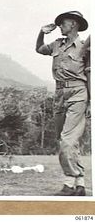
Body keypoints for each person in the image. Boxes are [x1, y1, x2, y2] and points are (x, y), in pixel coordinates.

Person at [35, 11, 90, 196]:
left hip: (78, 93)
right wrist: (41, 32)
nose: (60, 26)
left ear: (73, 24)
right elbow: (39, 49)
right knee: (67, 141)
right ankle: (80, 183)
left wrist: (91, 101)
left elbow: (90, 75)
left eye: (63, 23)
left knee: (67, 140)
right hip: (59, 94)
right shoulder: (57, 44)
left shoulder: (85, 47)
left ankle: (69, 183)